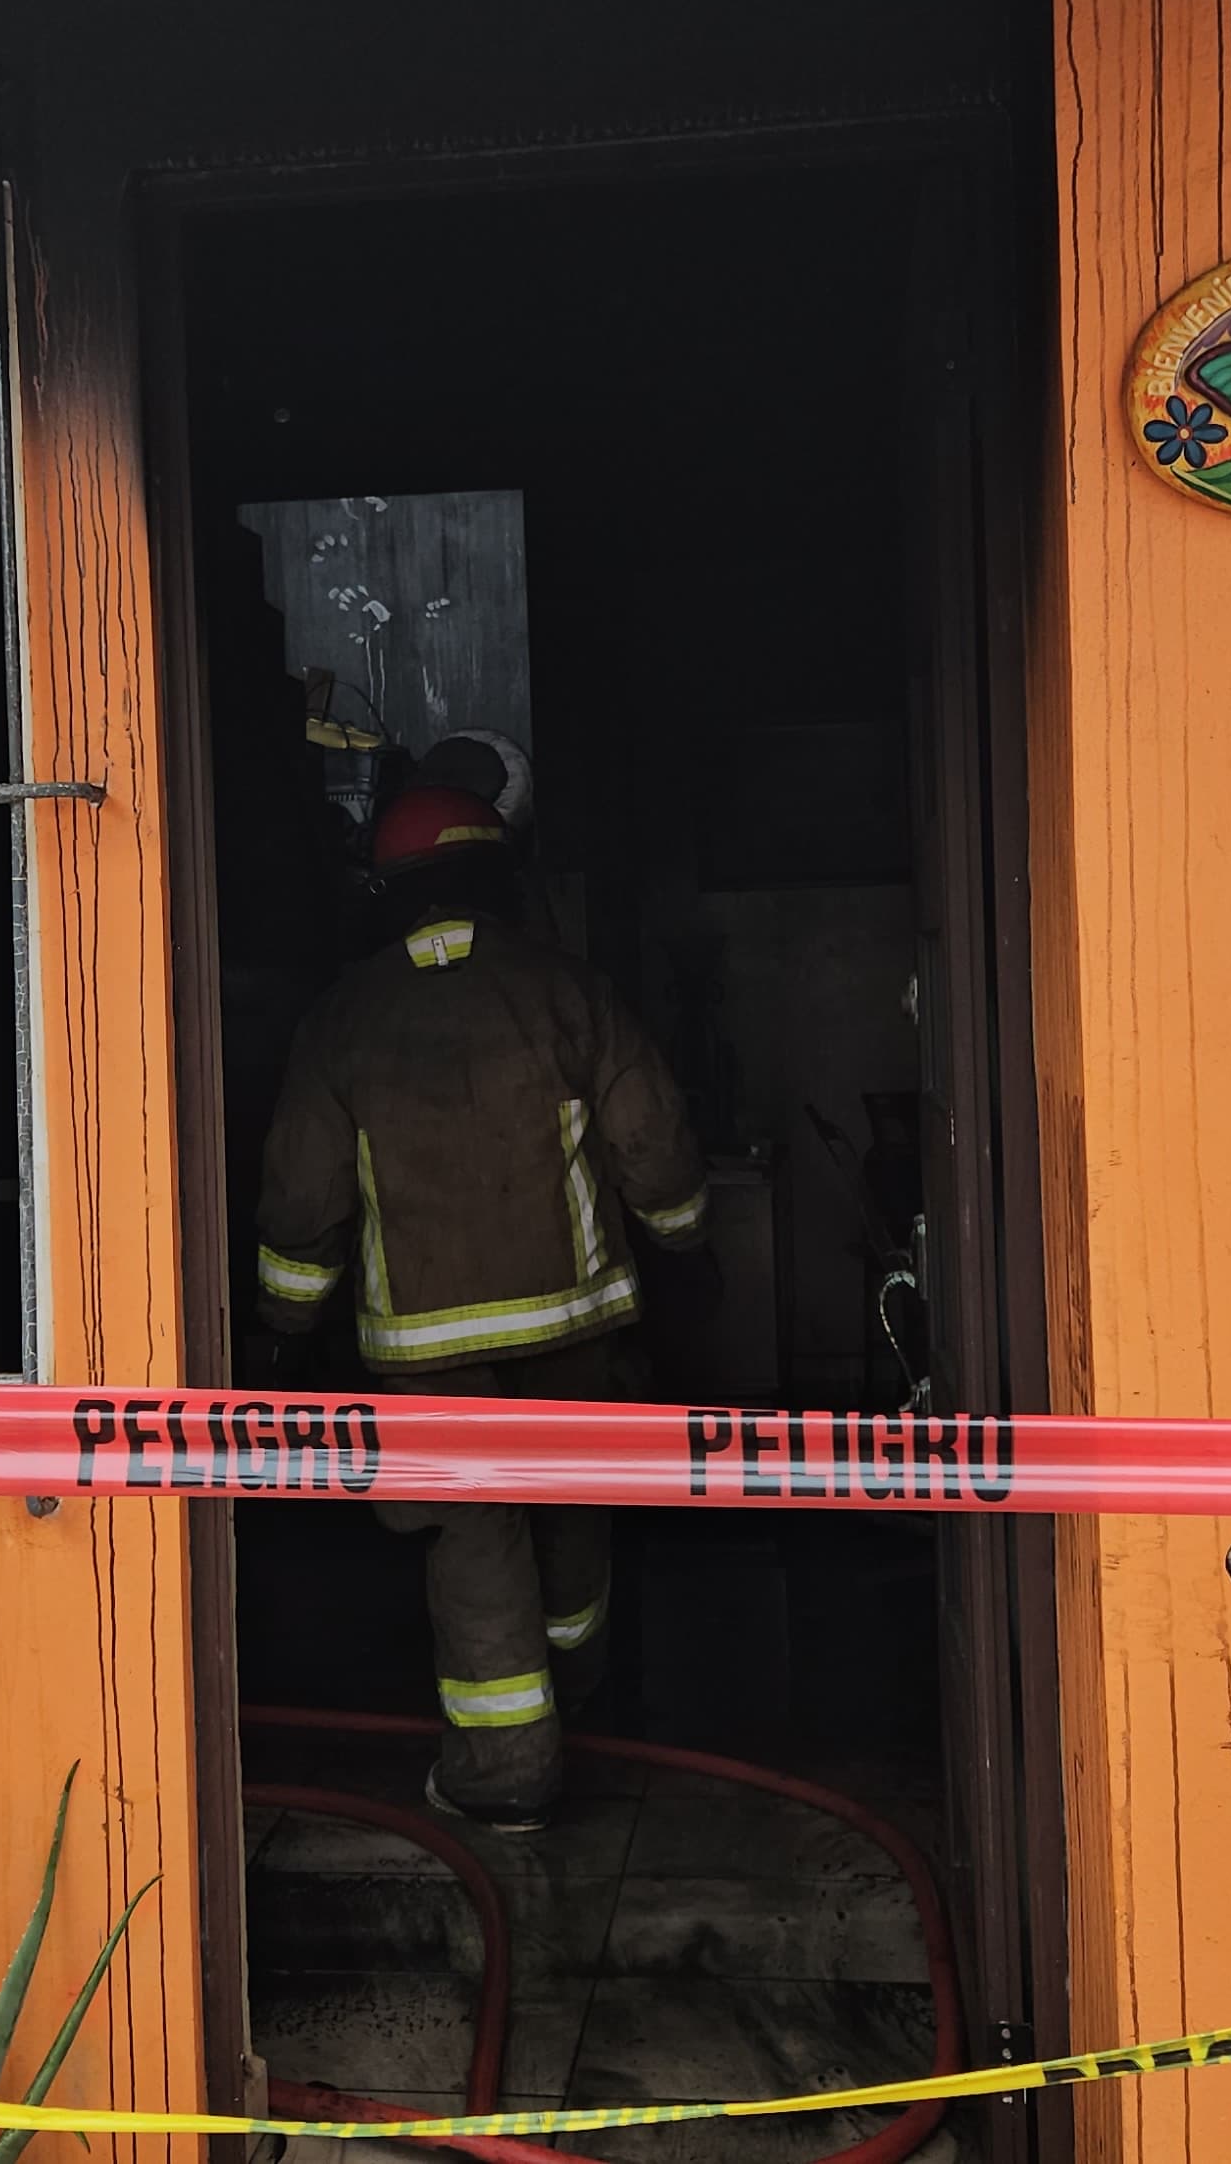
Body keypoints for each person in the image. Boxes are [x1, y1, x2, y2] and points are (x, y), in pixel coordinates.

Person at [250, 781, 712, 1829]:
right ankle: (578, 1700)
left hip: (427, 1355)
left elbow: (303, 1199)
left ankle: (507, 1773)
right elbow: (652, 1142)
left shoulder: (344, 1017)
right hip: (573, 1325)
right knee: (572, 1509)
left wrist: (284, 1325)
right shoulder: (569, 991)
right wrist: (686, 1244)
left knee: (472, 1539)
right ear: (501, 876)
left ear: (386, 891)